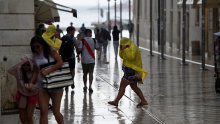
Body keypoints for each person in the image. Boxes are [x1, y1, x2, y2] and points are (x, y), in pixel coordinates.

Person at [30, 36, 64, 124]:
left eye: (38, 46)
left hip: (55, 84)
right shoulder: (35, 56)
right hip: (42, 85)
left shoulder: (51, 52)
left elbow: (60, 62)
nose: (36, 49)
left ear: (43, 45)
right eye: (34, 47)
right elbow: (35, 71)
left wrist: (48, 71)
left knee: (56, 112)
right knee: (43, 111)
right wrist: (31, 82)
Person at [108, 37, 148, 107]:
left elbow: (131, 57)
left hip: (132, 70)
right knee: (134, 87)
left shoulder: (133, 47)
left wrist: (125, 49)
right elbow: (121, 56)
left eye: (122, 45)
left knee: (122, 85)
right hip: (129, 69)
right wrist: (121, 49)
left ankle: (116, 101)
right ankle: (143, 100)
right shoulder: (125, 47)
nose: (121, 47)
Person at [8, 56, 39, 124]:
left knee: (29, 116)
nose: (26, 66)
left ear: (31, 64)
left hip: (32, 95)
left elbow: (39, 85)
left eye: (28, 64)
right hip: (22, 95)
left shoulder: (35, 72)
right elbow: (9, 70)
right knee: (22, 117)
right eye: (24, 65)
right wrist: (19, 64)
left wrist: (32, 87)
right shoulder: (19, 72)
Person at [59, 26, 79, 90]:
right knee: (72, 70)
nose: (74, 32)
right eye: (73, 31)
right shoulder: (73, 38)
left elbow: (59, 47)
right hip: (71, 57)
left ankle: (66, 85)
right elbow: (76, 47)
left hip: (64, 57)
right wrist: (78, 54)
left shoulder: (63, 38)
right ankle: (72, 81)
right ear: (70, 31)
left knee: (65, 70)